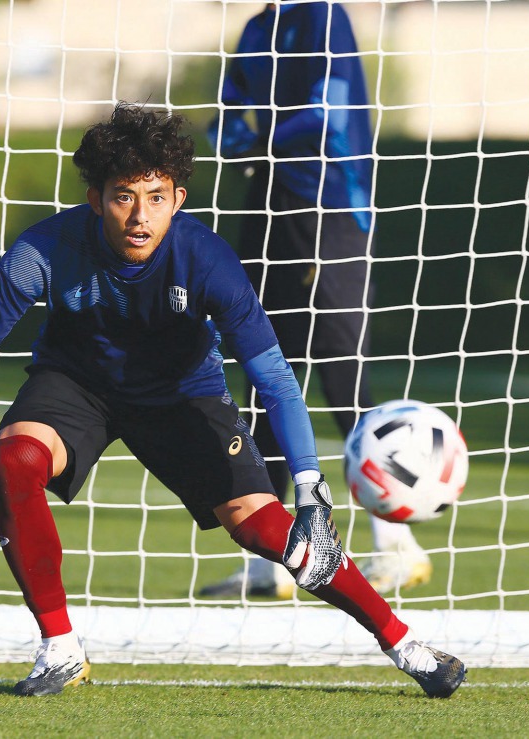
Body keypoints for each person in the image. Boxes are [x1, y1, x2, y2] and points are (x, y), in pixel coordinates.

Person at [0, 102, 466, 698]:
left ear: (178, 199)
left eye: (156, 197)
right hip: (76, 384)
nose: (139, 216)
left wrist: (308, 485)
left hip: (183, 395)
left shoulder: (208, 260)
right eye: (123, 196)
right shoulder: (45, 248)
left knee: (275, 534)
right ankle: (59, 648)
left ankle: (405, 644)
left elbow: (275, 377)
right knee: (16, 456)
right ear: (95, 198)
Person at [201, 1, 431, 598]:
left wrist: (261, 140)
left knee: (341, 375)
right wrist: (229, 137)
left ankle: (398, 543)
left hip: (328, 209)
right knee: (266, 374)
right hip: (267, 209)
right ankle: (270, 557)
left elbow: (326, 109)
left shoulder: (324, 16)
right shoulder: (257, 28)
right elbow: (228, 114)